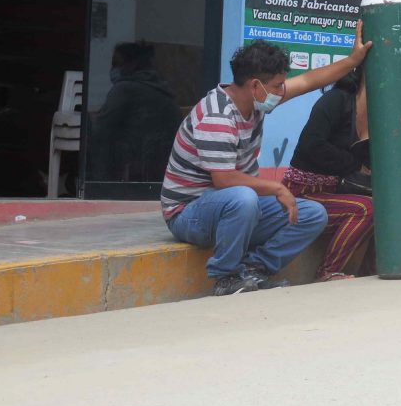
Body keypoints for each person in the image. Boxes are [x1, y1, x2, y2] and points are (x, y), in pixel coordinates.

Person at [160, 25, 371, 296]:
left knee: (311, 214)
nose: (282, 90)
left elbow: (309, 81)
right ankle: (226, 277)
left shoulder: (255, 103)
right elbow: (223, 180)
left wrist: (353, 61)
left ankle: (255, 270)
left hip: (234, 207)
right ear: (255, 86)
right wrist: (276, 187)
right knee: (243, 198)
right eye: (277, 85)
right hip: (189, 214)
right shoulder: (217, 116)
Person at [283, 69, 373, 282]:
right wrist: (354, 165)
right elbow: (311, 145)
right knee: (365, 209)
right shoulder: (336, 100)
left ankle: (372, 270)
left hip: (336, 191)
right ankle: (326, 271)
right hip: (302, 193)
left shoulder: (379, 113)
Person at [88, 41, 180, 182]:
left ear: (132, 64)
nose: (113, 68)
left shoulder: (125, 89)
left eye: (117, 63)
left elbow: (101, 128)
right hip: (159, 164)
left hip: (138, 160)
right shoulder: (161, 88)